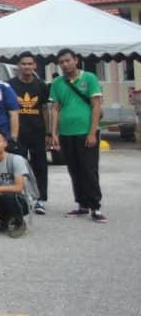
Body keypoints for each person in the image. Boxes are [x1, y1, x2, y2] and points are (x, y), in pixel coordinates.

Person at [49, 48, 105, 223]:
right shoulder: (57, 82)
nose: (65, 64)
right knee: (74, 170)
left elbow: (96, 106)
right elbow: (56, 108)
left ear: (76, 60)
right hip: (66, 133)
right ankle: (82, 204)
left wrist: (92, 132)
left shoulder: (89, 78)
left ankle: (95, 206)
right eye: (62, 62)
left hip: (85, 132)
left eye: (68, 60)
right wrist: (54, 132)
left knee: (89, 169)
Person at [9, 51, 51, 215]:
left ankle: (41, 199)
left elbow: (45, 109)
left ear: (35, 66)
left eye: (30, 64)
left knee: (40, 166)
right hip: (18, 133)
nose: (26, 67)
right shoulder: (10, 85)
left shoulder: (41, 85)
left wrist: (48, 132)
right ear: (18, 66)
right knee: (19, 166)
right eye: (23, 64)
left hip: (37, 132)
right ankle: (22, 197)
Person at [0, 127, 34, 238]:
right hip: (0, 198)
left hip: (21, 200)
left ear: (5, 143)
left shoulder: (16, 160)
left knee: (8, 196)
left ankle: (19, 221)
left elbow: (19, 187)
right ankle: (5, 219)